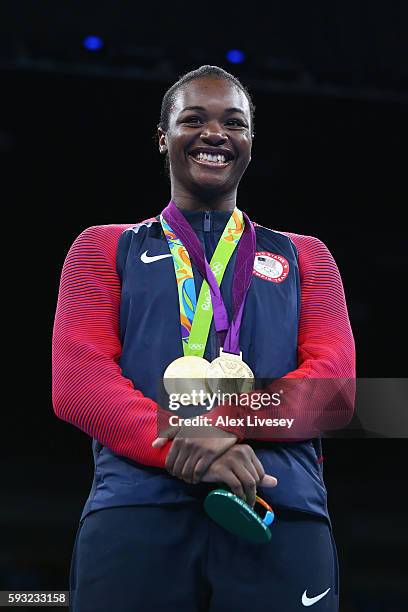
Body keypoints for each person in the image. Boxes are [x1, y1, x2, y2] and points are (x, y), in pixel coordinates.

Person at [52, 65, 355, 612]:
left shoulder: (305, 256)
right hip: (139, 509)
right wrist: (181, 446)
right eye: (194, 119)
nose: (214, 132)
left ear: (249, 142)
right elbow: (78, 382)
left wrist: (219, 425)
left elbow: (334, 393)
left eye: (233, 122)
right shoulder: (101, 248)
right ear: (163, 137)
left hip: (276, 509)